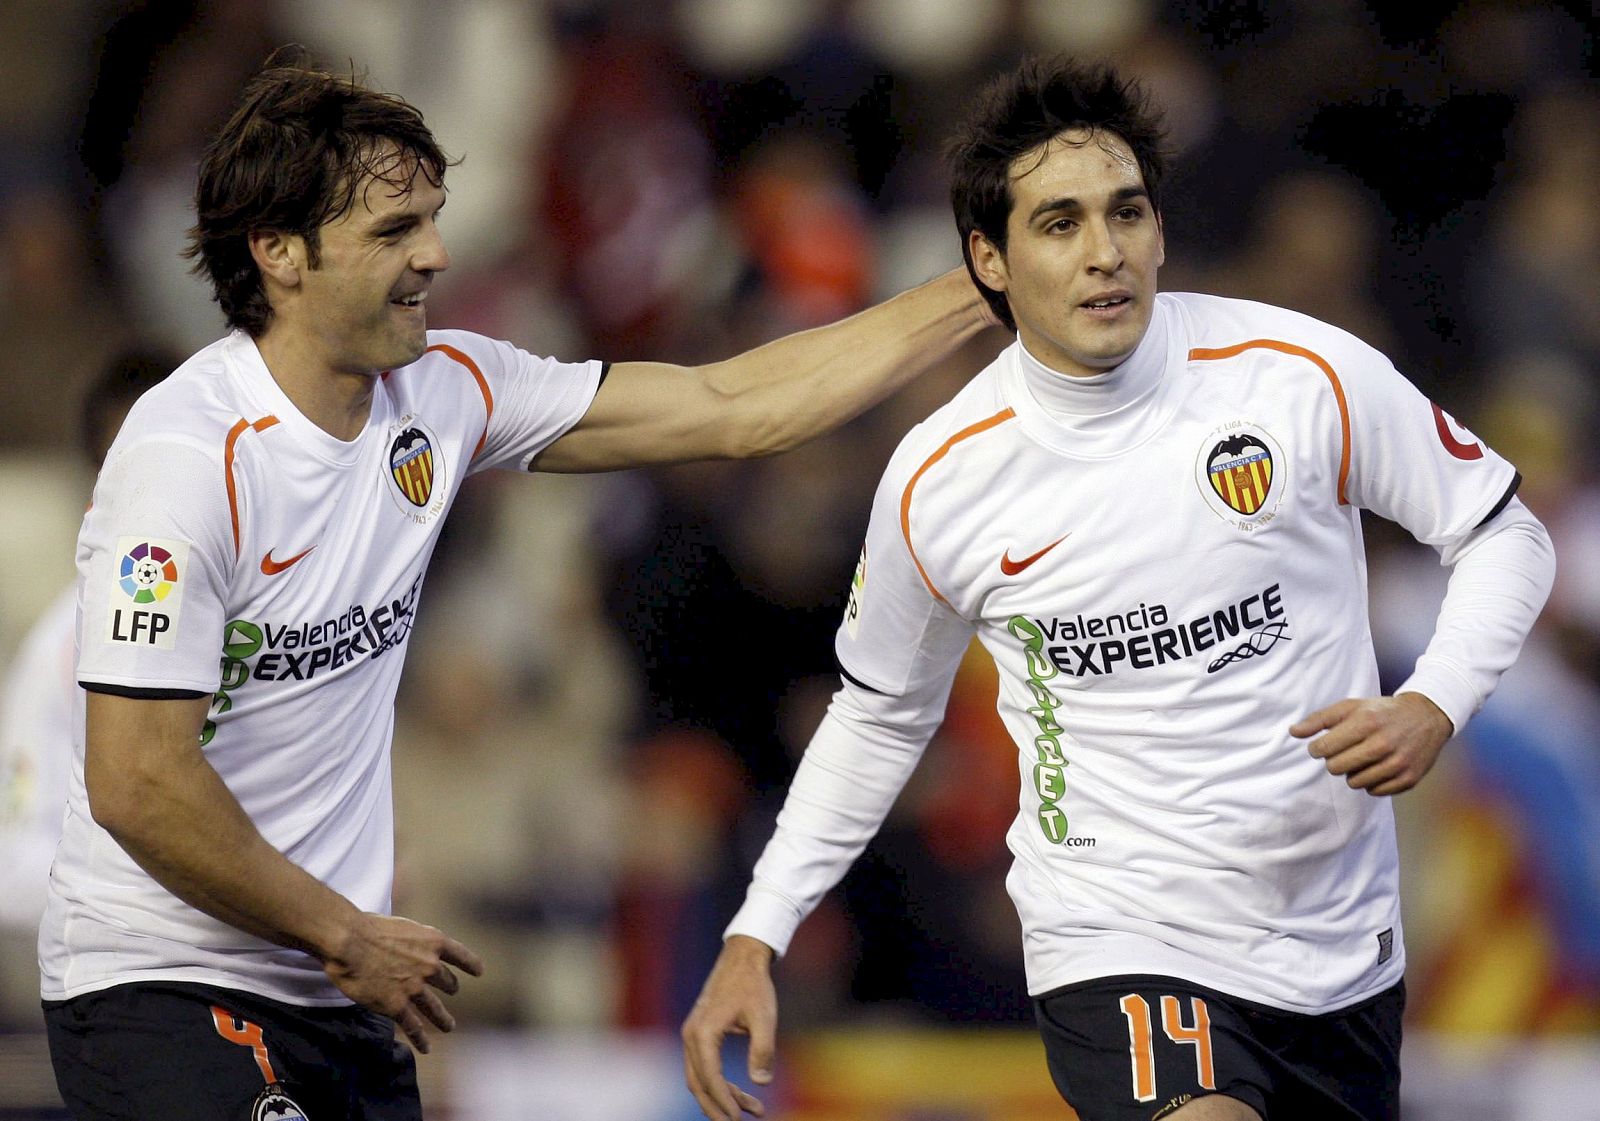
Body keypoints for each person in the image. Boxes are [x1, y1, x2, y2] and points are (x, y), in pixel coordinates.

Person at [42, 56, 994, 1121]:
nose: (436, 255)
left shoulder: (444, 389)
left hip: (342, 985)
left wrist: (981, 283)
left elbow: (731, 403)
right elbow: (136, 782)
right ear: (279, 252)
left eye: (432, 221)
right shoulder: (188, 456)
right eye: (393, 230)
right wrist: (344, 930)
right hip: (165, 978)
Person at [681, 57, 1556, 1121]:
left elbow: (1501, 529)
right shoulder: (941, 477)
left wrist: (1433, 700)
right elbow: (877, 715)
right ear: (987, 260)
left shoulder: (1295, 373)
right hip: (1115, 929)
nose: (1103, 253)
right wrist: (755, 930)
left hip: (1336, 939)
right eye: (1057, 223)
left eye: (1124, 213)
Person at [0, 347, 180, 1023]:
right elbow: (15, 864)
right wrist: (171, 907)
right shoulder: (59, 651)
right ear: (99, 478)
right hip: (139, 997)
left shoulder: (278, 620)